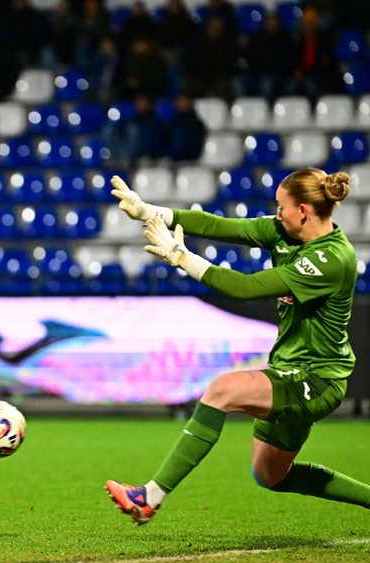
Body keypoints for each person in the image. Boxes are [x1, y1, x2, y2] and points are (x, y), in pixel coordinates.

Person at [104, 169, 369, 525]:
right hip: (289, 369)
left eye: (281, 206)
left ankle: (149, 496)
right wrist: (149, 211)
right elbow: (216, 226)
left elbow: (245, 288)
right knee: (270, 474)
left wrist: (183, 258)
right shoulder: (282, 231)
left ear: (303, 211)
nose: (276, 213)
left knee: (221, 391)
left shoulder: (331, 259)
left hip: (317, 379)